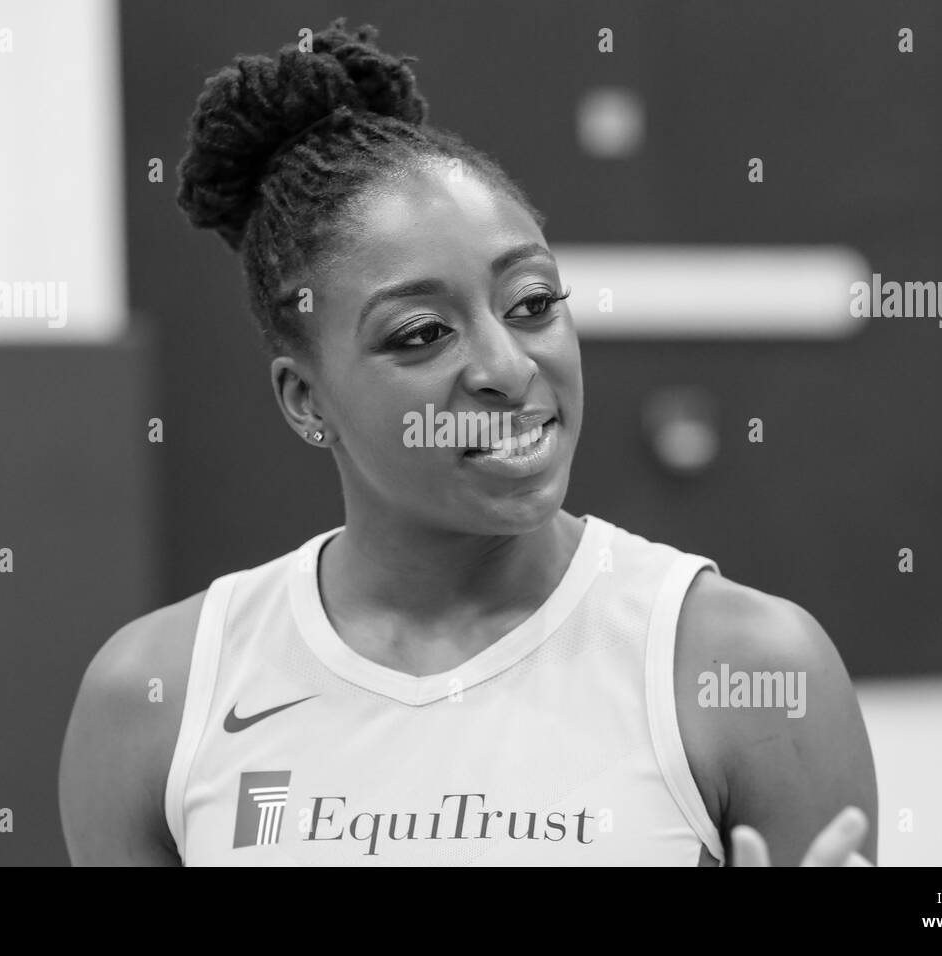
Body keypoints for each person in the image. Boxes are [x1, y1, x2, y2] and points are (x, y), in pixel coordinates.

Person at [59, 18, 877, 866]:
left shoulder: (743, 670)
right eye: (420, 333)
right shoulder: (156, 697)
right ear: (305, 399)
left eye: (532, 304)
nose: (506, 366)